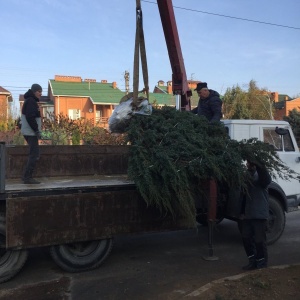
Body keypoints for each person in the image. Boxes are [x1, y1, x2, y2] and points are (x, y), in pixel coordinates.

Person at [240, 160, 272, 270]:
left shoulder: (261, 176)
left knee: (259, 241)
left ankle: (262, 264)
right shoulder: (246, 176)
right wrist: (241, 212)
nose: (248, 165)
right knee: (246, 238)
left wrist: (259, 165)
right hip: (248, 214)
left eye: (251, 163)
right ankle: (252, 261)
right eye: (248, 163)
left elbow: (266, 179)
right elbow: (243, 196)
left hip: (259, 215)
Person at [21, 84, 43, 184]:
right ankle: (27, 177)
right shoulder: (31, 101)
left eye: (41, 91)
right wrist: (36, 130)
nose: (40, 93)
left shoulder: (30, 101)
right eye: (38, 91)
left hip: (30, 132)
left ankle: (26, 176)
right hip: (31, 132)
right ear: (34, 91)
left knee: (34, 153)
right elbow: (30, 117)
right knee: (34, 154)